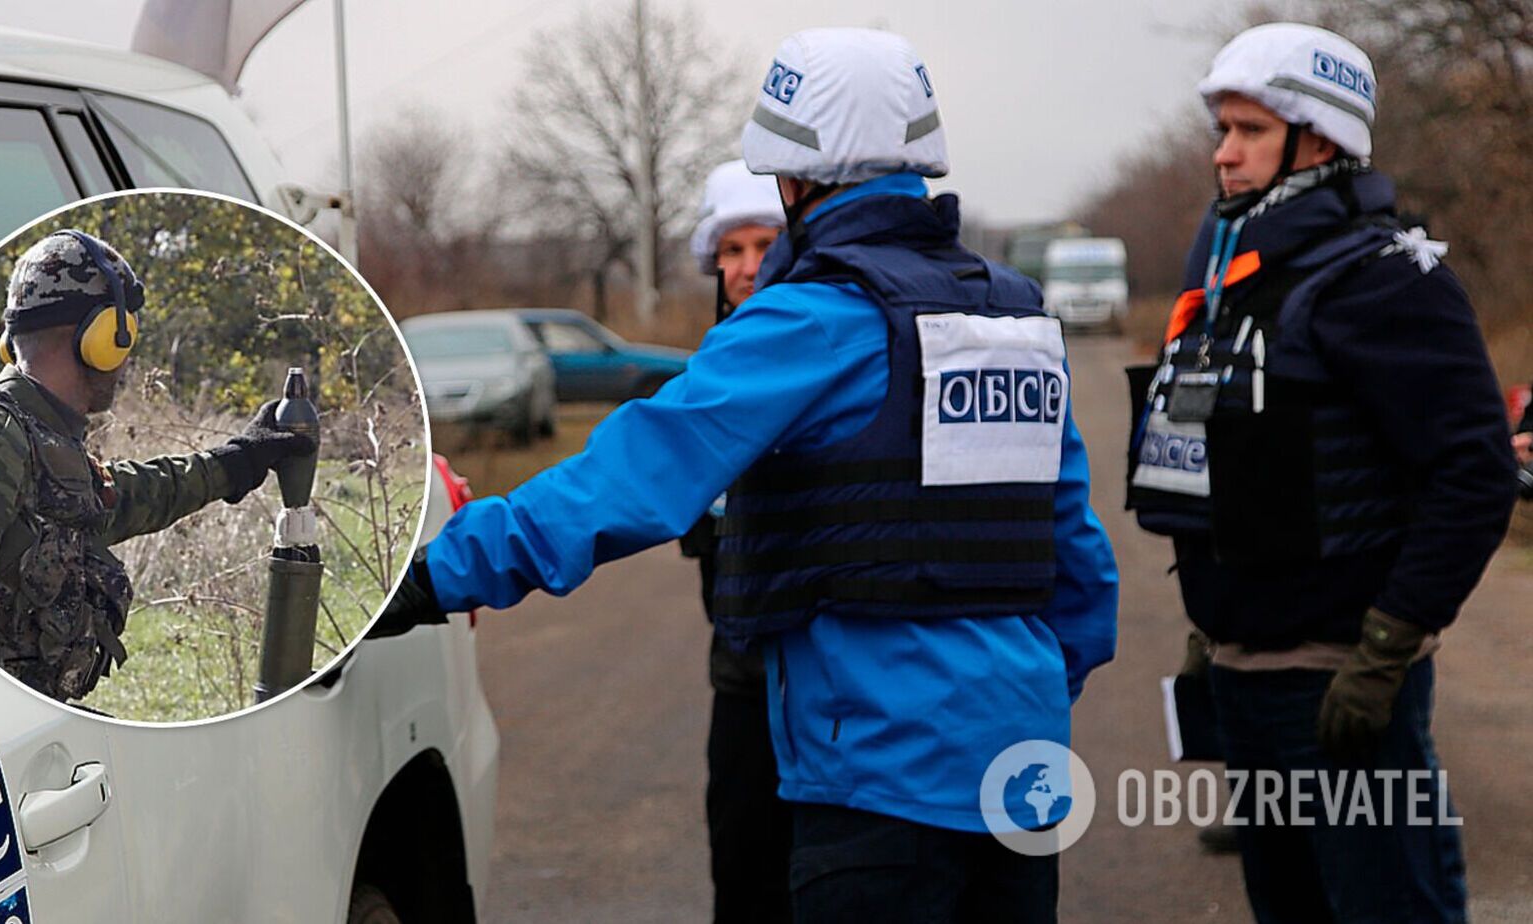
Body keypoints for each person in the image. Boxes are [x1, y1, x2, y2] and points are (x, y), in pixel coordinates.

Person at [388, 29, 1117, 921]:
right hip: (1022, 771)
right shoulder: (1014, 315)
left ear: (791, 178)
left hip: (877, 783)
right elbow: (1078, 555)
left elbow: (631, 476)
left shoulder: (809, 319)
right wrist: (1021, 702)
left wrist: (431, 576)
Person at [1126, 23, 1517, 922]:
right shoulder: (1231, 278)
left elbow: (1474, 473)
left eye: (1250, 131)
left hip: (1341, 684)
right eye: (1222, 131)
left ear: (1320, 143)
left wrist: (1387, 645)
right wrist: (1211, 623)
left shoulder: (1384, 279)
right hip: (1243, 677)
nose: (1224, 154)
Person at [0, 230, 312, 703]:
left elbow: (126, 496)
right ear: (104, 338)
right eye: (127, 331)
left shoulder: (36, 439)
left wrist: (238, 461)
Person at [680, 158, 790, 923]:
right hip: (740, 678)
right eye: (732, 250)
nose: (748, 267)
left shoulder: (837, 354)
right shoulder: (704, 377)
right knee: (743, 872)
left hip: (832, 681)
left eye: (765, 246)